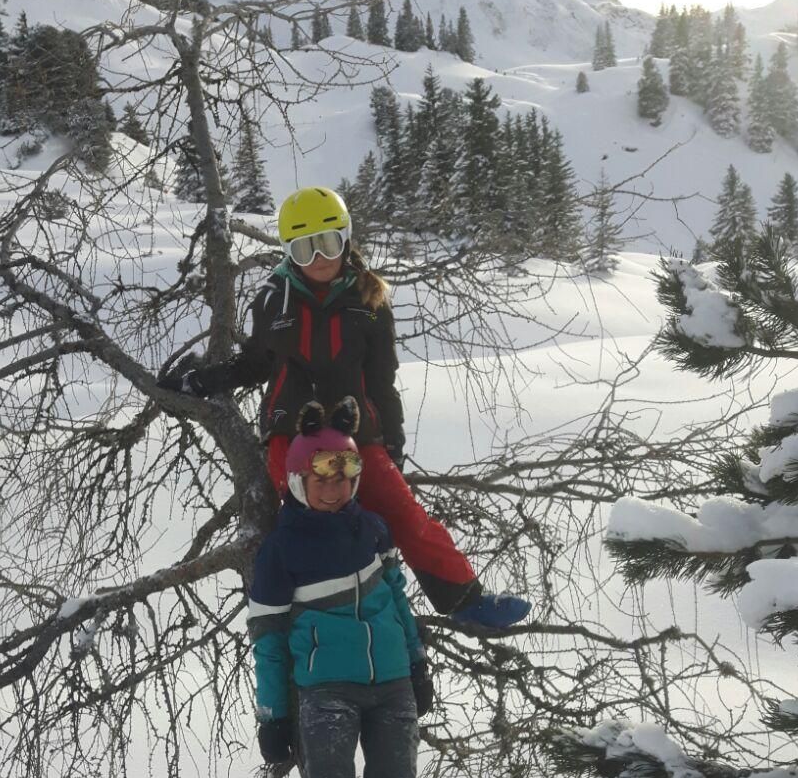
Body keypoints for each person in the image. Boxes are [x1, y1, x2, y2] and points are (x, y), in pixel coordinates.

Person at [162, 186, 529, 630]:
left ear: (346, 239)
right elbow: (257, 363)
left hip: (356, 431)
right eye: (304, 249)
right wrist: (202, 380)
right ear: (288, 253)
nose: (319, 258)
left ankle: (465, 598)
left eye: (328, 243)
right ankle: (310, 619)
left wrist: (392, 444)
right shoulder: (274, 298)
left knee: (403, 512)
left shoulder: (369, 299)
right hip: (291, 435)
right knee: (310, 522)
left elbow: (382, 381)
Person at [248, 398, 445, 778]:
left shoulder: (373, 530)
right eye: (322, 480)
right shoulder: (281, 551)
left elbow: (399, 602)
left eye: (344, 477)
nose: (335, 490)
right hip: (326, 690)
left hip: (392, 687)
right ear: (298, 481)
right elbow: (269, 642)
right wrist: (273, 713)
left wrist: (417, 665)